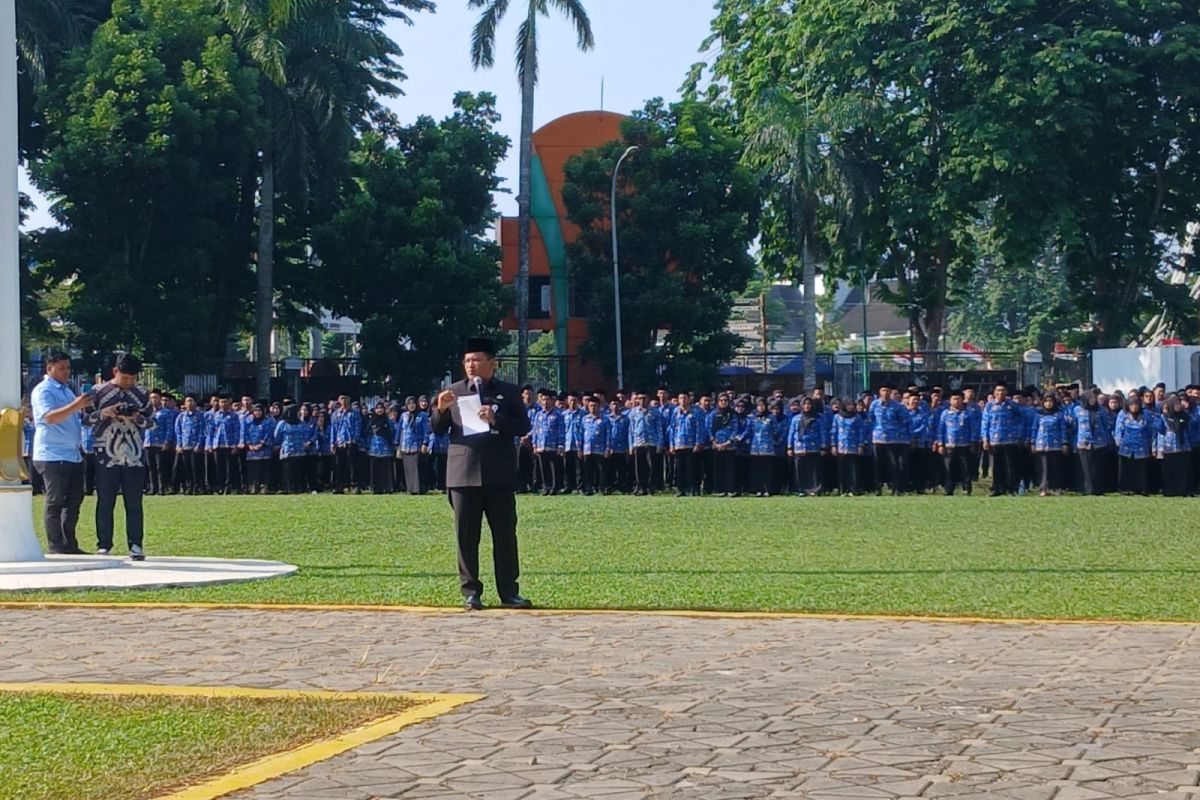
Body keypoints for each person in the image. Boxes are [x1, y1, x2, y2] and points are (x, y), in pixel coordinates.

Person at [431, 337, 533, 611]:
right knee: (466, 536)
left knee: (504, 536)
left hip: (498, 474)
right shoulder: (452, 392)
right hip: (463, 474)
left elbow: (523, 426)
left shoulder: (509, 392)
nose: (471, 365)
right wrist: (440, 409)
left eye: (477, 360)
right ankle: (471, 592)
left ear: (492, 364)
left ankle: (509, 592)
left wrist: (496, 419)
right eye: (467, 361)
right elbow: (437, 429)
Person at [85, 353, 154, 559]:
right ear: (116, 371)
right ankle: (104, 544)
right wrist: (105, 413)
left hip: (133, 455)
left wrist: (136, 417)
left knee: (134, 502)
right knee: (105, 500)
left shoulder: (141, 394)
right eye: (125, 378)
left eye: (133, 378)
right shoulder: (98, 392)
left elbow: (152, 423)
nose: (129, 382)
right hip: (105, 453)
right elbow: (85, 420)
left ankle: (136, 544)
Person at [30, 352, 91, 555]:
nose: (67, 372)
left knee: (74, 501)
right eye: (62, 368)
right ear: (49, 369)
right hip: (52, 455)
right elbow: (49, 417)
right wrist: (76, 405)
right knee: (55, 501)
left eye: (68, 368)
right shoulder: (43, 390)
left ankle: (69, 544)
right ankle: (56, 546)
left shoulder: (66, 391)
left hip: (73, 454)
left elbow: (73, 416)